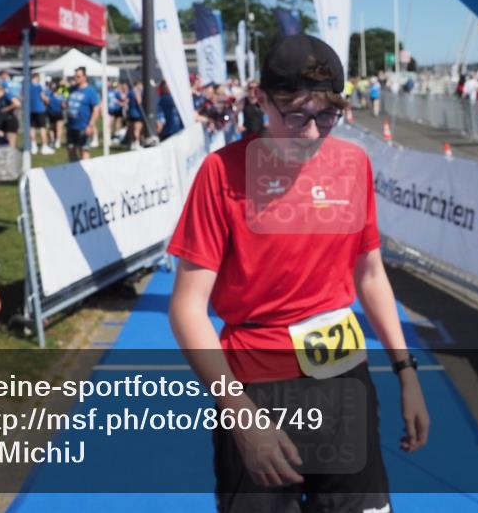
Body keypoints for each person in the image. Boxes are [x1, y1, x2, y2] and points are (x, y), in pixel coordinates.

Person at [168, 33, 429, 513]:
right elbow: (187, 307)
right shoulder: (220, 173)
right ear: (261, 99)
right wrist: (241, 417)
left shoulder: (353, 165)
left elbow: (369, 274)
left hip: (345, 384)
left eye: (327, 116)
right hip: (257, 392)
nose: (312, 133)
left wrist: (405, 372)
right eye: (296, 116)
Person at [65, 66, 101, 162]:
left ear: (84, 77)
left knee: (83, 150)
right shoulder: (72, 89)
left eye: (78, 76)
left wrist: (90, 125)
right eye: (75, 76)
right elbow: (66, 102)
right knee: (71, 149)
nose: (76, 78)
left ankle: (86, 172)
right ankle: (74, 171)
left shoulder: (90, 91)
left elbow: (96, 109)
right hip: (71, 126)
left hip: (83, 126)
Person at [28, 73, 53, 155]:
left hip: (31, 109)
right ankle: (44, 146)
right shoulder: (38, 86)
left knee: (32, 128)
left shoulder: (28, 86)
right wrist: (47, 100)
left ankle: (33, 146)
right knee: (42, 128)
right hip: (39, 109)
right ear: (36, 78)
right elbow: (42, 97)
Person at [0, 81, 20, 148]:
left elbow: (17, 103)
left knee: (11, 143)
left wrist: (7, 109)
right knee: (3, 142)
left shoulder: (7, 95)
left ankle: (12, 157)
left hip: (10, 120)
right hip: (2, 122)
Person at [125, 81, 145, 150]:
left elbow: (126, 101)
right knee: (137, 129)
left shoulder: (130, 92)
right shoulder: (136, 92)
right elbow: (139, 102)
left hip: (130, 113)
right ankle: (137, 143)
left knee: (131, 129)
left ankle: (132, 144)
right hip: (137, 114)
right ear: (138, 85)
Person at [46, 79, 64, 150]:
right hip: (57, 112)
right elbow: (63, 105)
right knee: (58, 128)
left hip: (51, 112)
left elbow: (46, 102)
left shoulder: (48, 93)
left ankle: (53, 141)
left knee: (52, 128)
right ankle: (57, 141)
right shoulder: (60, 94)